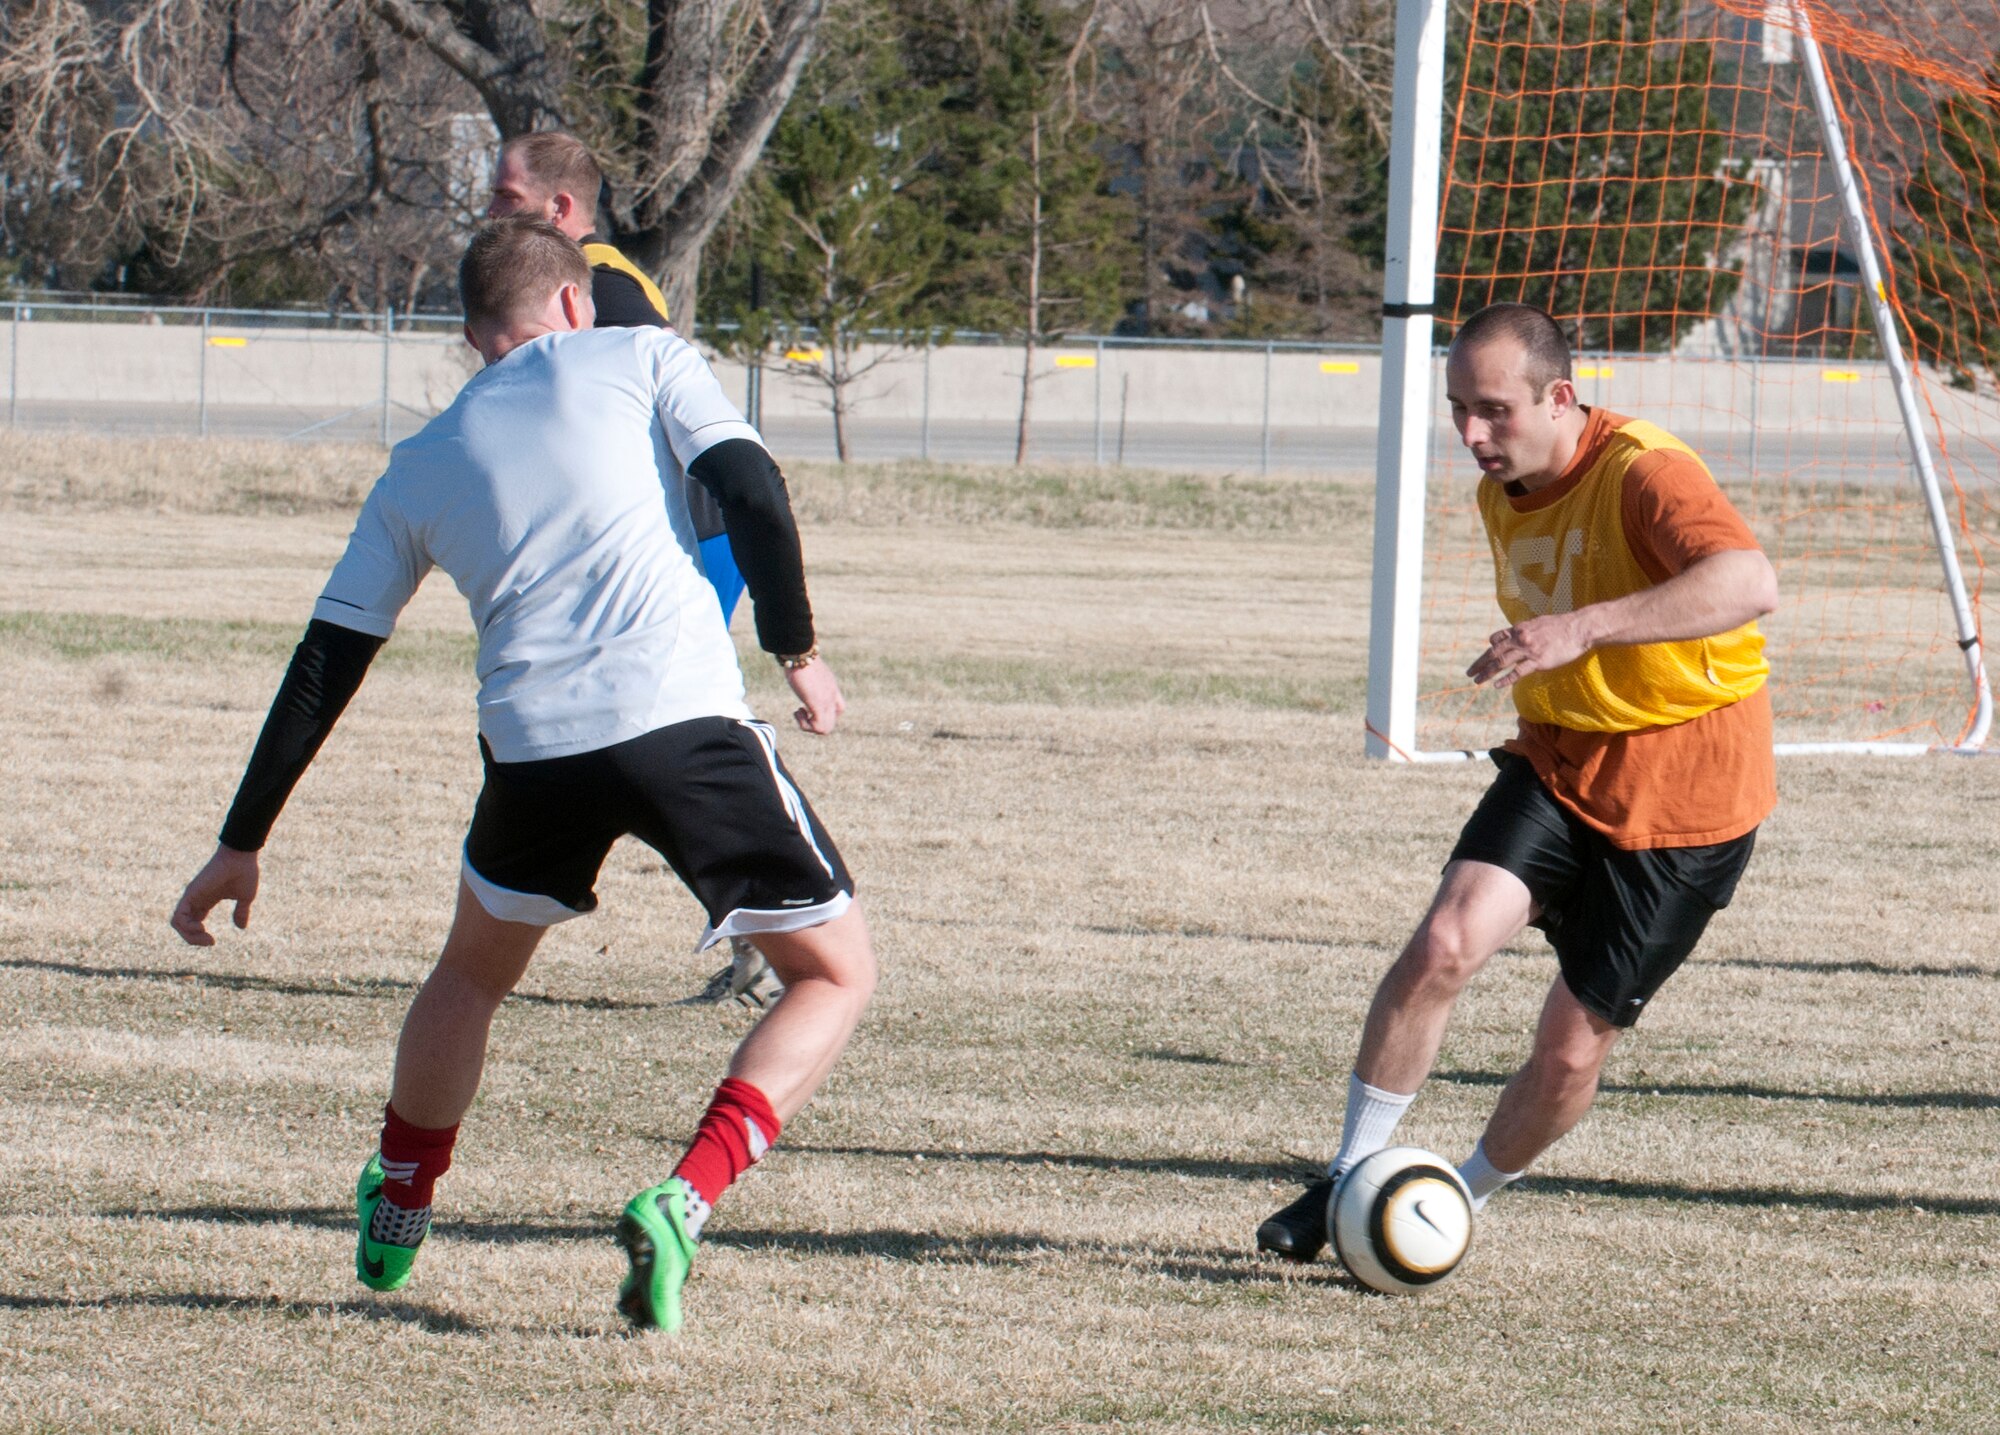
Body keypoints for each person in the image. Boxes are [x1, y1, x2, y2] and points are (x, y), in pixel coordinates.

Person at [169, 219, 876, 1333]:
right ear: (572, 304)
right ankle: (684, 1198)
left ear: (470, 336)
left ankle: (402, 1194)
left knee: (468, 976)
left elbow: (327, 660)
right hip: (679, 722)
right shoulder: (640, 356)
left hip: (533, 747)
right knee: (832, 972)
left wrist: (240, 839)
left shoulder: (422, 460)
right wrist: (797, 647)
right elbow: (752, 486)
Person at [1256, 302, 1778, 1261]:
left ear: (1561, 397)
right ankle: (1346, 1182)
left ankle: (1448, 1201)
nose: (1471, 434)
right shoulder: (1503, 488)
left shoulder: (1643, 470)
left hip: (1688, 796)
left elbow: (1748, 582)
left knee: (1571, 1047)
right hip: (1563, 756)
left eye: (1493, 410)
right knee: (1442, 944)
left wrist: (1576, 628)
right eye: (1458, 410)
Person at [486, 130, 778, 1011]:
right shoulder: (586, 283)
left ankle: (772, 936)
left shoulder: (604, 290)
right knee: (647, 739)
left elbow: (664, 414)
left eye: (505, 198)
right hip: (670, 539)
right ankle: (764, 936)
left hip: (692, 537)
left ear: (559, 209)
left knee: (671, 732)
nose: (488, 211)